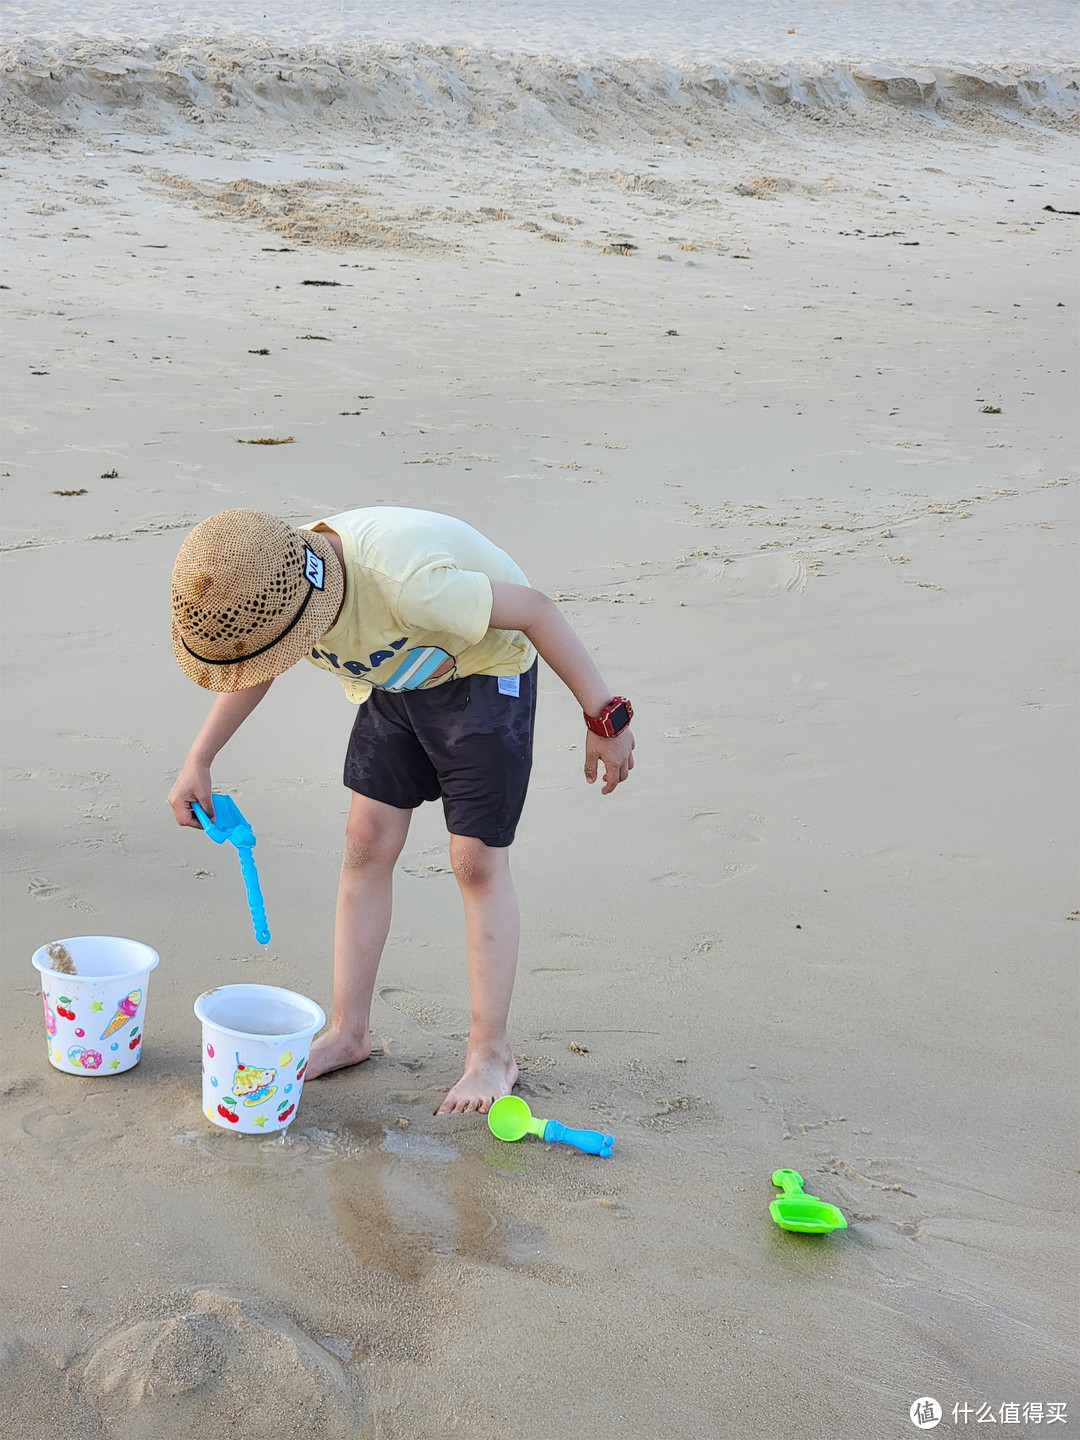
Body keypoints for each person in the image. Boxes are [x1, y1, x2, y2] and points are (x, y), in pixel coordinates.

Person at [167, 506, 635, 1114]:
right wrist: (199, 760)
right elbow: (257, 662)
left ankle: (491, 1053)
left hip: (485, 670)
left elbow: (538, 610)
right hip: (398, 675)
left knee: (474, 861)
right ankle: (348, 1031)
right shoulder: (271, 592)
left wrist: (604, 716)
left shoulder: (407, 583)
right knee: (364, 840)